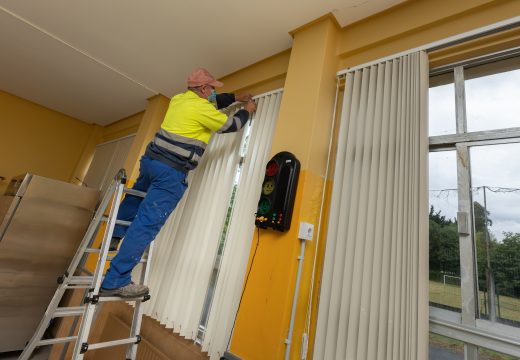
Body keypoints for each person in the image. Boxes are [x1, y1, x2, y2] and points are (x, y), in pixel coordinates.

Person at [99, 68, 257, 297]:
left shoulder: (179, 99)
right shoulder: (202, 107)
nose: (214, 93)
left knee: (134, 198)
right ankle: (115, 280)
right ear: (204, 89)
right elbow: (229, 126)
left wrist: (234, 97)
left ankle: (114, 235)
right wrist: (247, 111)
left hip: (151, 161)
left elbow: (215, 103)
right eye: (212, 88)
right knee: (147, 223)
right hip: (170, 172)